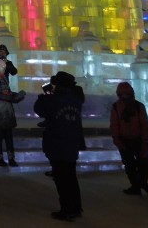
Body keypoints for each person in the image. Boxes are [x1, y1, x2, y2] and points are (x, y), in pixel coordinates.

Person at [34, 71, 84, 222]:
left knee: (62, 179)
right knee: (71, 177)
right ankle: (76, 208)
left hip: (57, 143)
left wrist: (45, 96)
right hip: (72, 142)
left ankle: (67, 210)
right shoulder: (76, 99)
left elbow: (39, 110)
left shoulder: (53, 99)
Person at [110, 82, 148, 195]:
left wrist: (116, 139)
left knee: (135, 164)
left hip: (132, 140)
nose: (124, 96)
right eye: (123, 94)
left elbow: (115, 124)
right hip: (131, 140)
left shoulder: (119, 107)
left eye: (126, 94)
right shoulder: (137, 106)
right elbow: (144, 124)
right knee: (139, 164)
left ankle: (138, 185)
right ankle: (140, 184)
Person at [0, 56, 25, 166]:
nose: (4, 69)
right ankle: (0, 159)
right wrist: (12, 98)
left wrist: (16, 96)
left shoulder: (2, 77)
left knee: (8, 136)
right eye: (2, 67)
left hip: (6, 110)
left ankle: (11, 158)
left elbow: (7, 91)